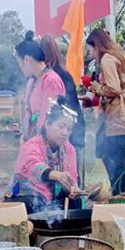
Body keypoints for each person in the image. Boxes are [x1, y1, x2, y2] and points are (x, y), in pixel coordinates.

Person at [85, 29, 125, 195]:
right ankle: (122, 195)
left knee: (112, 160)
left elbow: (113, 89)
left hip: (120, 113)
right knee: (116, 159)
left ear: (97, 46)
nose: (91, 54)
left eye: (90, 49)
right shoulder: (120, 56)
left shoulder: (107, 59)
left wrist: (97, 87)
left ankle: (120, 196)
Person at [5, 97, 80, 214]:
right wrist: (57, 175)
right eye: (61, 126)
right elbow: (34, 166)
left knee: (76, 201)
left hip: (50, 197)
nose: (65, 133)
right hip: (26, 194)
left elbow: (72, 177)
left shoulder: (70, 149)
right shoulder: (31, 145)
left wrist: (73, 188)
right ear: (47, 124)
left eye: (69, 129)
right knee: (33, 203)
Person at [39, 35, 86, 187]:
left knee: (69, 169)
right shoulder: (64, 72)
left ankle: (75, 198)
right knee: (72, 169)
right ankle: (77, 196)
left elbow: (53, 106)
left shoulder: (52, 76)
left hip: (66, 126)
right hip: (74, 125)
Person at [15, 31, 65, 142]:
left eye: (19, 63)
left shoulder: (51, 80)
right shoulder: (32, 81)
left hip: (47, 142)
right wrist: (25, 134)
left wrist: (38, 140)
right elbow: (29, 112)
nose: (20, 68)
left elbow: (52, 116)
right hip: (32, 140)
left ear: (27, 60)